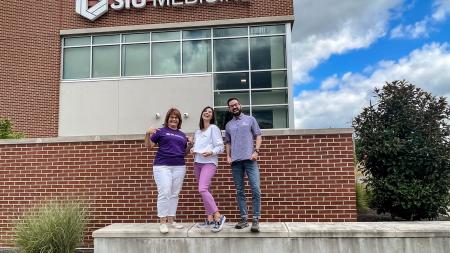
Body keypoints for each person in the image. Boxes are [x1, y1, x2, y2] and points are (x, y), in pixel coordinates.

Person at [144, 108, 193, 234]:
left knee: (174, 193)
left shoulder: (182, 135)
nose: (174, 119)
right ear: (167, 119)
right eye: (171, 117)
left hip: (179, 166)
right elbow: (149, 146)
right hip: (162, 166)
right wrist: (147, 133)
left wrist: (190, 145)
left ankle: (171, 221)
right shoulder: (160, 131)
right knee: (165, 191)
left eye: (176, 117)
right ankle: (162, 222)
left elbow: (184, 153)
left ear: (179, 120)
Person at [225, 97, 262, 232]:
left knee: (256, 189)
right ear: (229, 109)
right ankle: (244, 219)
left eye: (236, 104)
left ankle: (256, 219)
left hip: (250, 160)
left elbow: (258, 135)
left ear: (240, 105)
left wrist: (256, 151)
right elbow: (227, 142)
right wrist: (228, 156)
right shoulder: (228, 125)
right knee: (240, 191)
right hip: (235, 162)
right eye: (231, 106)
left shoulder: (250, 119)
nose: (234, 107)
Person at [191, 106, 226, 232]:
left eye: (210, 112)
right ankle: (210, 219)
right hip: (197, 163)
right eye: (205, 111)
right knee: (206, 190)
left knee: (202, 189)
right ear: (202, 114)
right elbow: (197, 146)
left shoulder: (213, 128)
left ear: (212, 117)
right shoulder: (198, 132)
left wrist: (211, 152)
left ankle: (218, 216)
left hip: (209, 162)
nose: (207, 113)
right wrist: (192, 149)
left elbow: (220, 147)